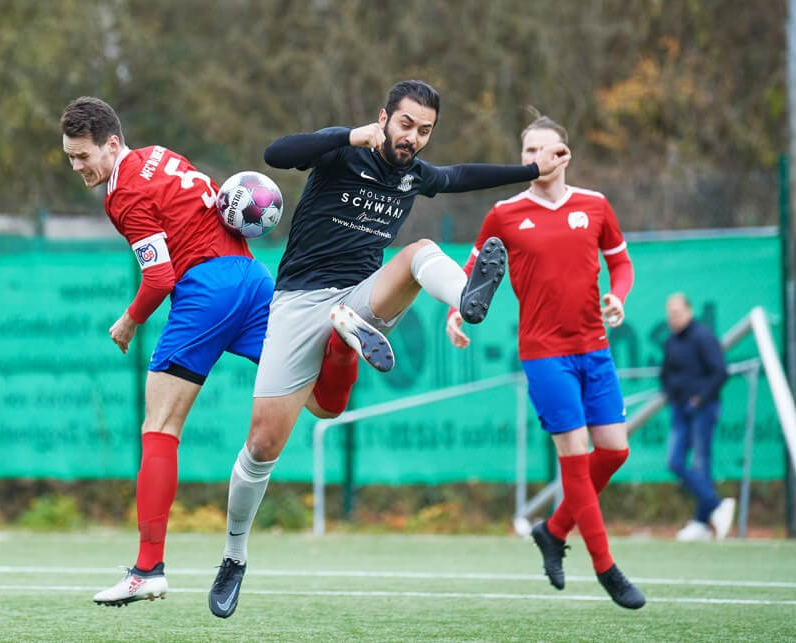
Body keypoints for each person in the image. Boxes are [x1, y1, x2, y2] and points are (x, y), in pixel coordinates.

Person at [207, 80, 571, 618]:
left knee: (421, 251)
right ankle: (234, 558)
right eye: (406, 125)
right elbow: (276, 153)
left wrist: (531, 173)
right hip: (300, 303)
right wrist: (350, 134)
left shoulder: (413, 175)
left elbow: (463, 176)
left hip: (362, 295)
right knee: (265, 444)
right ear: (384, 118)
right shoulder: (342, 152)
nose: (414, 139)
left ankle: (464, 295)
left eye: (425, 131)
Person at [59, 96, 280, 607]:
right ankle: (342, 336)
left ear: (111, 145)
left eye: (82, 156)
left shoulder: (124, 195)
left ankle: (147, 569)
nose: (76, 167)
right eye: (70, 157)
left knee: (159, 427)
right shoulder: (159, 155)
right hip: (250, 277)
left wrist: (128, 320)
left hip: (206, 288)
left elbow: (160, 278)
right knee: (314, 396)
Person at [446, 112, 645, 609]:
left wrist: (619, 295)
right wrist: (455, 311)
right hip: (544, 352)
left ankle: (553, 531)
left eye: (543, 150)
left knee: (614, 451)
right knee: (575, 460)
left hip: (594, 346)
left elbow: (620, 262)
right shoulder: (504, 213)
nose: (534, 159)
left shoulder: (595, 206)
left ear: (564, 154)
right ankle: (607, 570)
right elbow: (473, 272)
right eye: (526, 151)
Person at [660, 292, 734, 541]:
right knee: (675, 461)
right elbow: (665, 375)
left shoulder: (703, 337)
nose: (673, 318)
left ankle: (702, 522)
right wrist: (674, 394)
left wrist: (699, 398)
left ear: (689, 311)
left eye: (678, 313)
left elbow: (720, 372)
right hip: (680, 410)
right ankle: (715, 506)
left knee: (702, 463)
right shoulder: (671, 342)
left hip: (703, 409)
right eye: (670, 314)